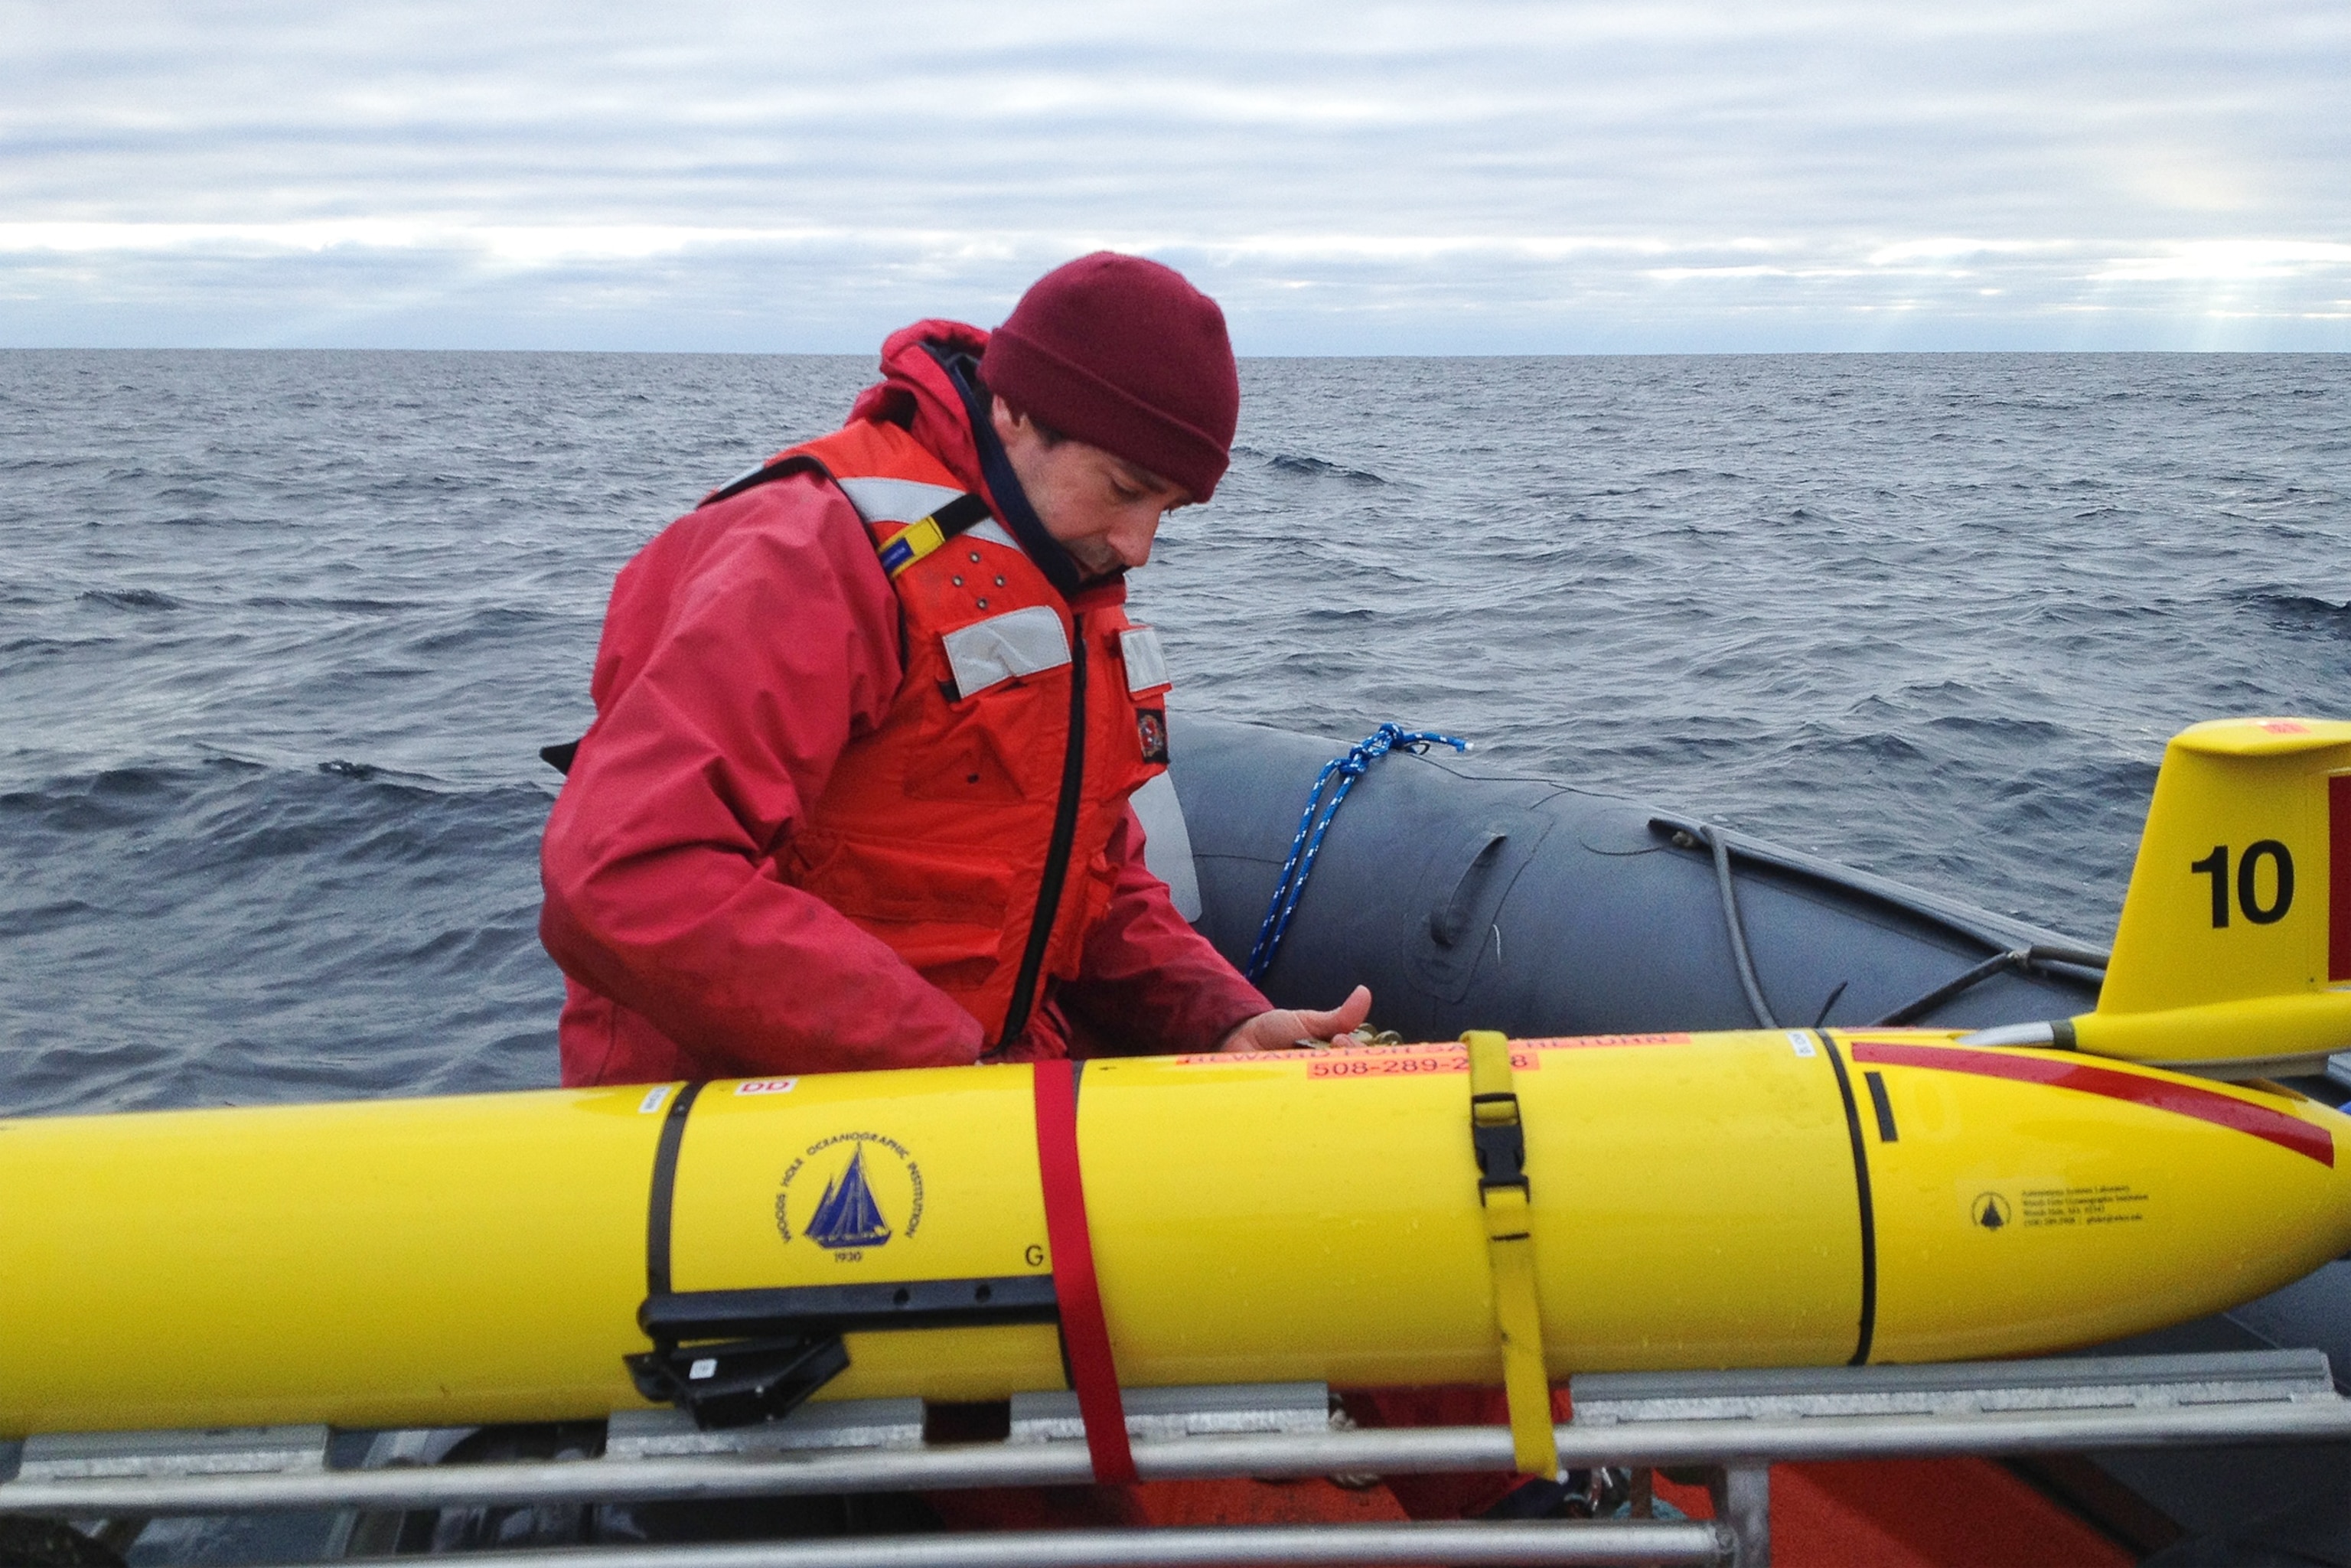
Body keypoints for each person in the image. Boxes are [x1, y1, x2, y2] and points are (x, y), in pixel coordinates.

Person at [540, 253, 1371, 1084]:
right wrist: (948, 1064)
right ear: (1014, 410)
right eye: (1124, 489)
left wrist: (1220, 1017)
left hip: (977, 1096)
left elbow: (1091, 876)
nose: (1138, 547)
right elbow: (628, 877)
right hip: (764, 1128)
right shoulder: (804, 553)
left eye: (1170, 512)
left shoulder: (1070, 579)